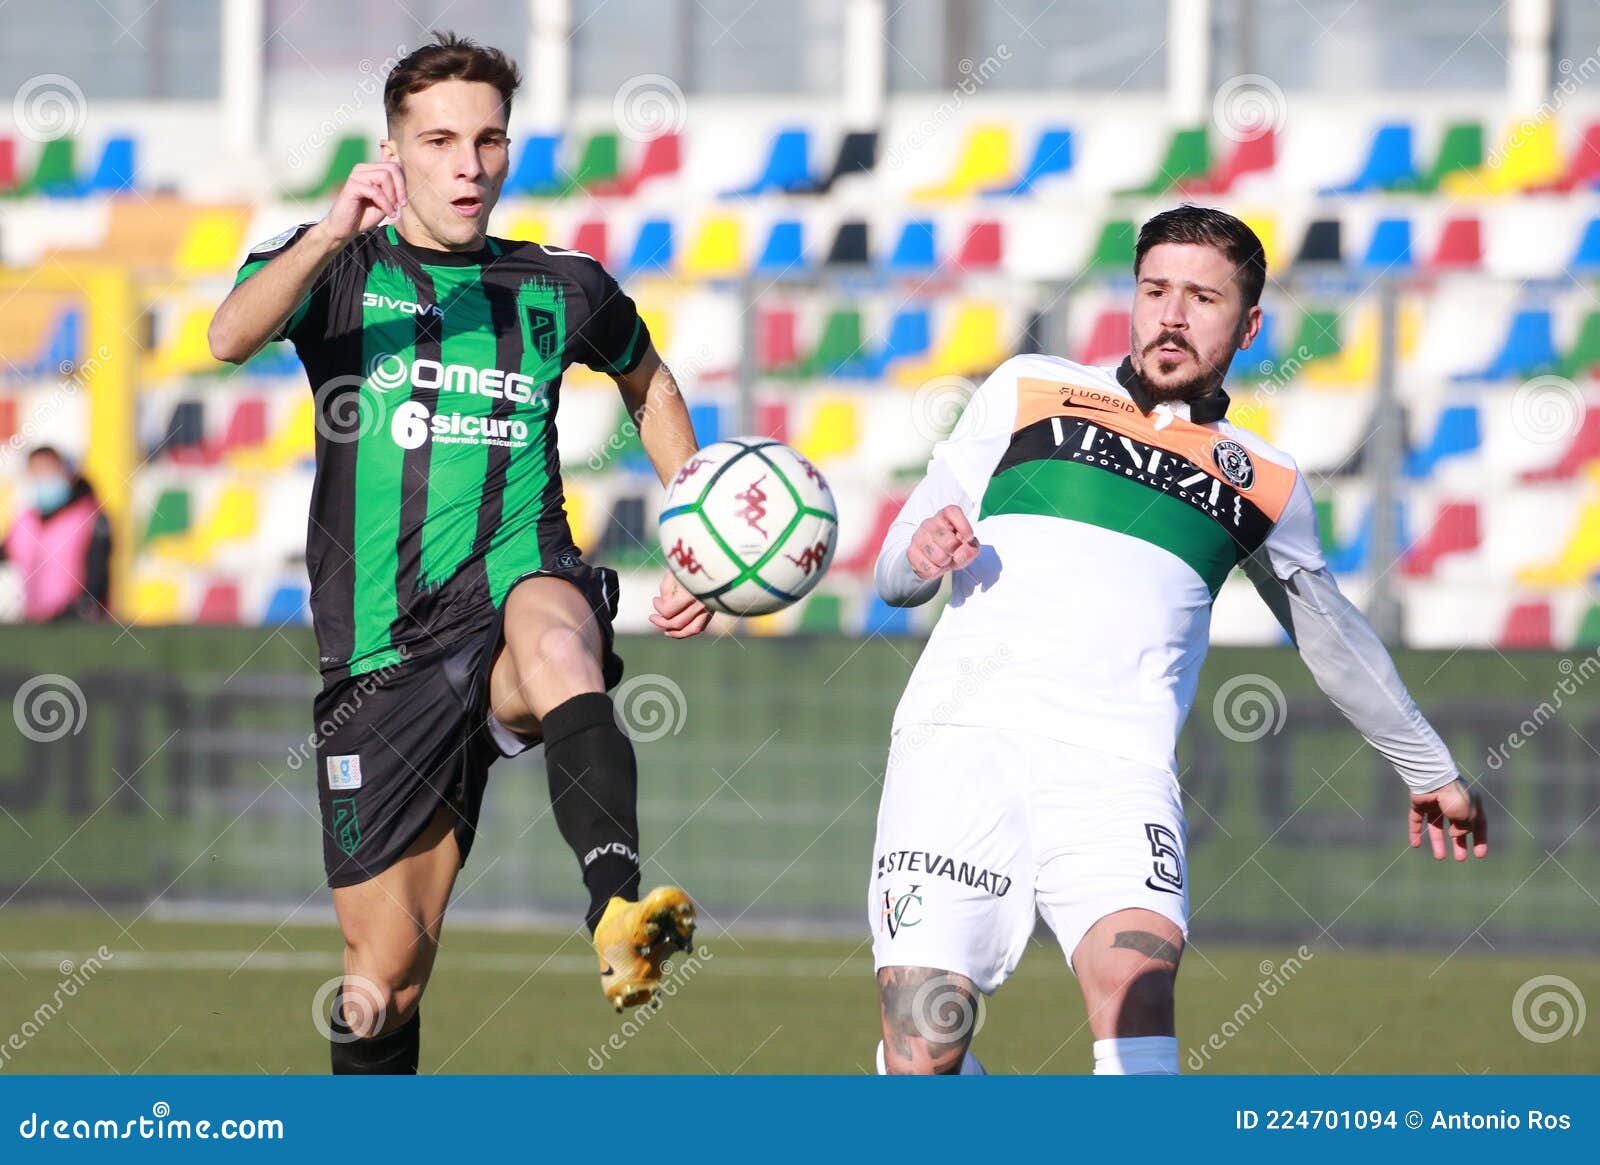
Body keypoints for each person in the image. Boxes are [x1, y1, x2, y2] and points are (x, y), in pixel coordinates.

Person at [868, 205, 1489, 1076]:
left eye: (1202, 297)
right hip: (960, 748)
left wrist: (1429, 768)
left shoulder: (1264, 481)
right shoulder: (1026, 388)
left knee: (1138, 997)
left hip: (1117, 770)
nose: (1171, 314)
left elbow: (1335, 639)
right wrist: (923, 551)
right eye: (1155, 289)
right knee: (925, 1045)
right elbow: (895, 568)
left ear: (1249, 323)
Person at [208, 32, 710, 1074]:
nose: (468, 164)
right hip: (380, 657)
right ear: (393, 152)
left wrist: (695, 519)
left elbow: (648, 380)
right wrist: (324, 233)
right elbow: (227, 334)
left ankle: (616, 906)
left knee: (557, 639)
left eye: (487, 139)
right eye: (439, 140)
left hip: (515, 592)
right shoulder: (340, 272)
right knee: (377, 985)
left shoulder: (559, 286)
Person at [2, 446, 111, 622]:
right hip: (34, 621)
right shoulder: (25, 520)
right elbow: (7, 553)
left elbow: (98, 569)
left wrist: (85, 605)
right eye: (35, 471)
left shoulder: (89, 515)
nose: (41, 477)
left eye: (47, 469)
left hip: (76, 623)